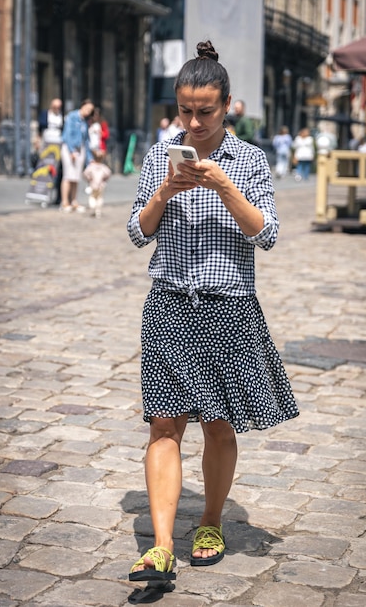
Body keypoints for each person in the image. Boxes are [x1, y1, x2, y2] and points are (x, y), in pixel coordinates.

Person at [127, 40, 299, 583]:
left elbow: (267, 234)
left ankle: (210, 521)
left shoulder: (249, 159)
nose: (194, 122)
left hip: (229, 309)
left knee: (221, 427)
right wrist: (163, 193)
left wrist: (224, 186)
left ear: (227, 105)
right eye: (185, 110)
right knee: (164, 427)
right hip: (171, 304)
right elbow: (137, 232)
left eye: (205, 111)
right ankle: (158, 546)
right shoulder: (161, 153)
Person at [60, 99, 94, 213]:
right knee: (68, 176)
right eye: (87, 109)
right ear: (82, 106)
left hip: (81, 149)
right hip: (70, 149)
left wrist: (90, 159)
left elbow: (86, 141)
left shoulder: (85, 121)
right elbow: (67, 134)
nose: (88, 112)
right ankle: (65, 202)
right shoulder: (72, 116)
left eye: (90, 110)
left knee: (76, 177)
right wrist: (71, 151)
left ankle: (74, 201)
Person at [83, 149, 112, 218]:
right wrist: (105, 179)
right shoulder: (103, 167)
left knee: (92, 197)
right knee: (99, 198)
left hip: (93, 185)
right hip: (101, 185)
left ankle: (93, 206)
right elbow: (108, 173)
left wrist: (89, 178)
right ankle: (98, 210)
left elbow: (85, 173)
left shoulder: (91, 166)